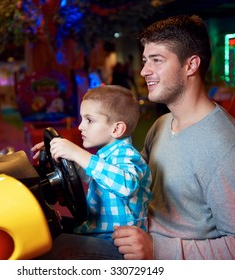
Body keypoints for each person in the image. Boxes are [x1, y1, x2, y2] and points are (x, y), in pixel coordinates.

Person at [34, 15, 235, 260]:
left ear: (191, 65)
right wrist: (69, 163)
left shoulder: (229, 149)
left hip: (156, 257)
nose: (144, 71)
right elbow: (129, 182)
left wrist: (157, 249)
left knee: (45, 256)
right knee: (42, 232)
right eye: (145, 60)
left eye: (157, 60)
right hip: (128, 237)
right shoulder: (162, 125)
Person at [32, 85, 152, 242]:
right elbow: (94, 177)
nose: (81, 126)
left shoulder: (127, 155)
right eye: (82, 119)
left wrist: (77, 153)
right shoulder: (106, 155)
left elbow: (126, 185)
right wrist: (69, 160)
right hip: (94, 230)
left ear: (116, 129)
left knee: (49, 249)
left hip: (113, 244)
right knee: (42, 226)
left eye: (89, 120)